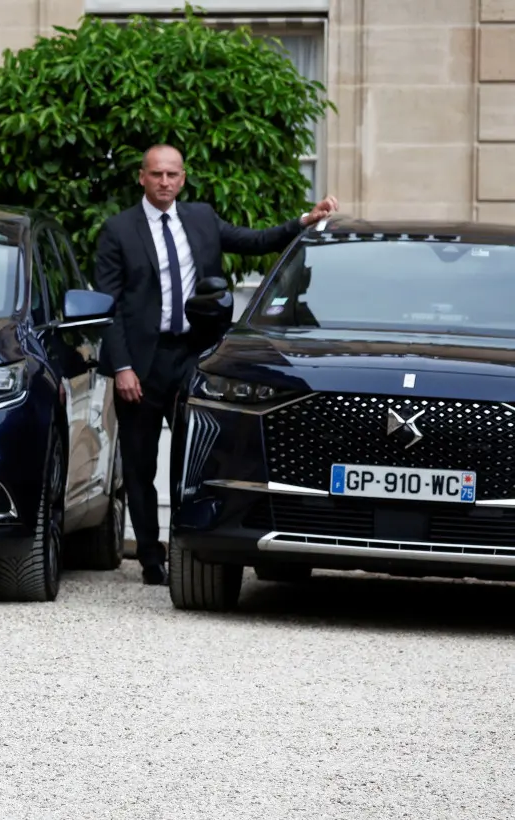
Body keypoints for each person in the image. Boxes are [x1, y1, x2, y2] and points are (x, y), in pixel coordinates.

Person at [94, 144, 336, 586]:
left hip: (194, 358)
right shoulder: (118, 230)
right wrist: (122, 367)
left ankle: (188, 547)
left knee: (195, 459)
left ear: (183, 179)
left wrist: (304, 222)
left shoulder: (201, 219)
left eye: (173, 174)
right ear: (142, 178)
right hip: (143, 365)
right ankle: (150, 558)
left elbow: (254, 240)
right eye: (156, 174)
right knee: (139, 465)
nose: (165, 182)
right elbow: (109, 308)